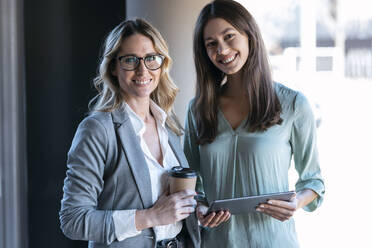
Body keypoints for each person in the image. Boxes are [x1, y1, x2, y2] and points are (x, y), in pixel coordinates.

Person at [183, 1, 325, 247]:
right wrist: (200, 206)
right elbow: (192, 183)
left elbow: (314, 182)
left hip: (274, 241)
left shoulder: (294, 105)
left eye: (229, 36)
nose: (222, 50)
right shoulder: (198, 109)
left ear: (249, 35)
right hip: (218, 242)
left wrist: (297, 202)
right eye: (211, 44)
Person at [59, 18, 200, 248]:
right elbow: (73, 219)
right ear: (114, 67)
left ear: (162, 64)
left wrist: (196, 210)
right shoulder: (98, 129)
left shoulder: (168, 126)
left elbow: (171, 209)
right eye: (130, 60)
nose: (142, 69)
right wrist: (151, 217)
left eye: (151, 58)